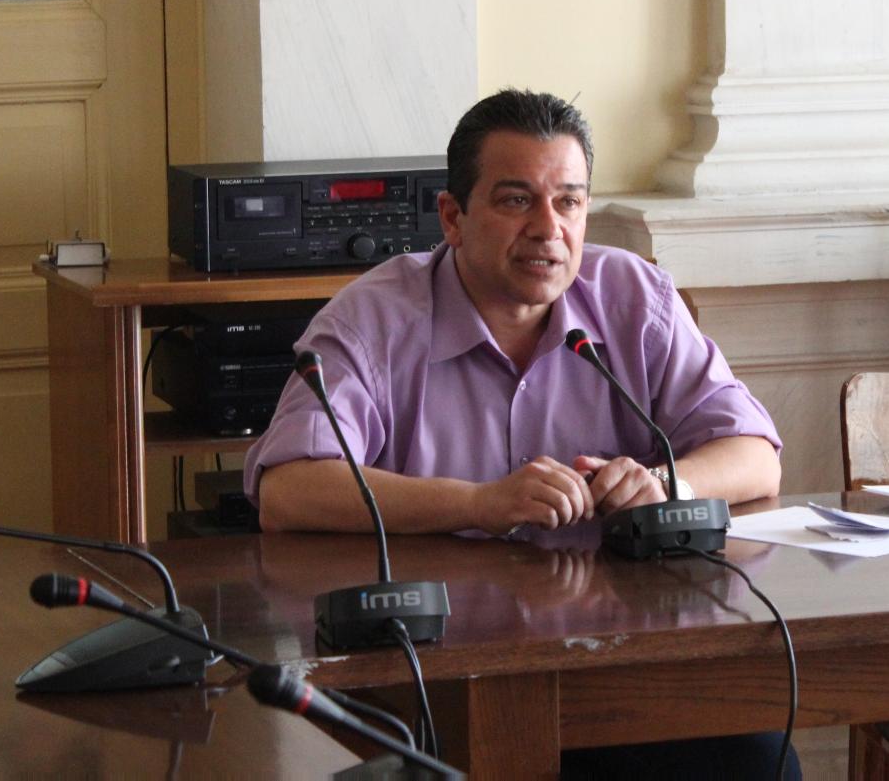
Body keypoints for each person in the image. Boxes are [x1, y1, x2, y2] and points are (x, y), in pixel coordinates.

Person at [243, 88, 797, 779]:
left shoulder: (634, 299)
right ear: (453, 217)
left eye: (568, 202)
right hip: (429, 672)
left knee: (759, 759)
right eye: (516, 201)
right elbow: (289, 490)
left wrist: (660, 483)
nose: (548, 228)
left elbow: (755, 456)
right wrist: (479, 503)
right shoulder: (372, 322)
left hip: (619, 660)